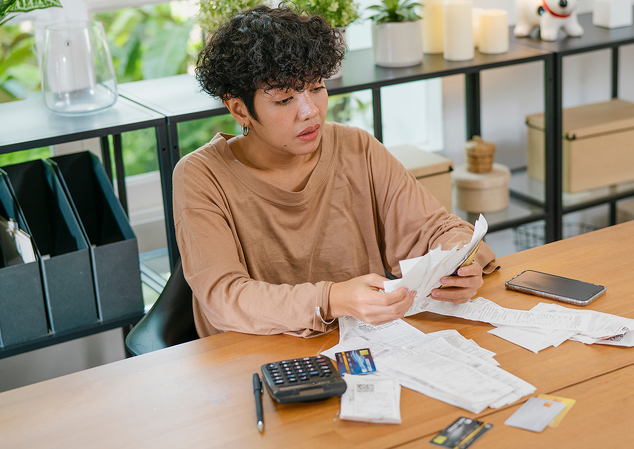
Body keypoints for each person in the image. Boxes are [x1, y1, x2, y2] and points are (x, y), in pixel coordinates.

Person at [174, 5, 498, 338]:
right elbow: (225, 298)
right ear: (239, 109)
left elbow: (435, 228)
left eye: (316, 87)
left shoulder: (356, 147)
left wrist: (460, 263)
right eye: (285, 100)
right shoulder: (201, 176)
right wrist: (332, 299)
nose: (310, 111)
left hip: (364, 342)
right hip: (253, 357)